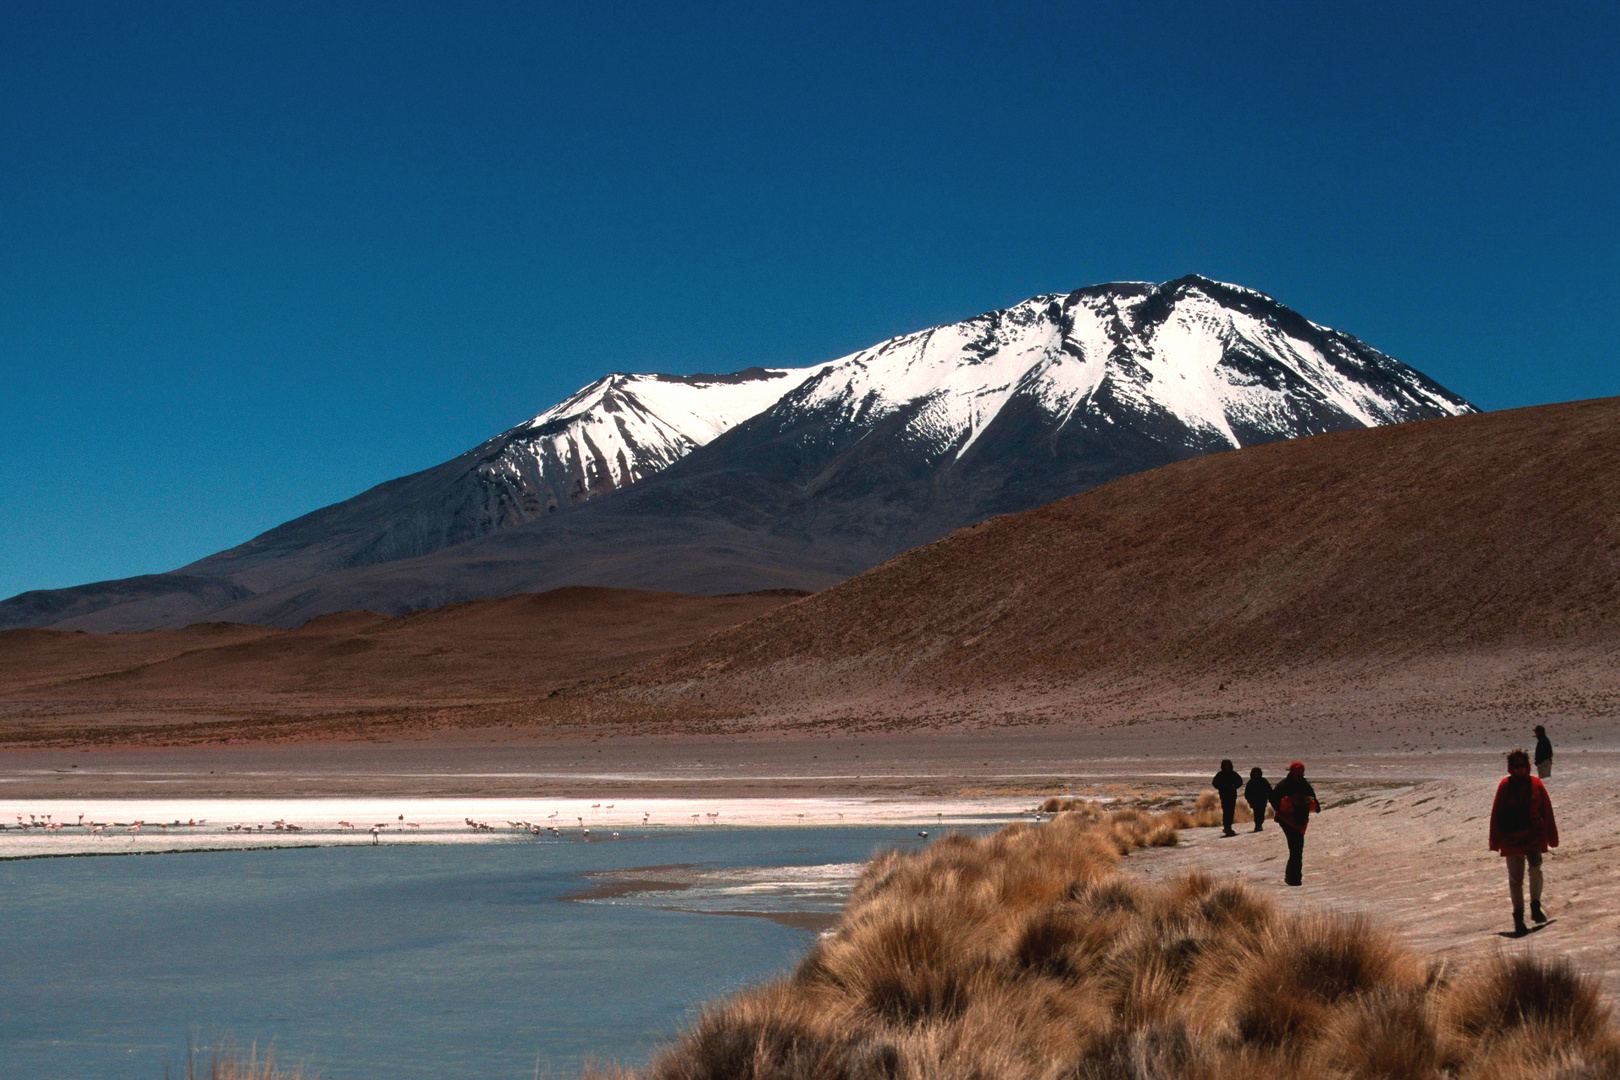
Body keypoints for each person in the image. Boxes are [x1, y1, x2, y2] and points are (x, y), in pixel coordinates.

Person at [1489, 748, 1558, 936]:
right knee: (1515, 880)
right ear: (1511, 767)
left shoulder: (1536, 784)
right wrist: (1495, 840)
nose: (1519, 769)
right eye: (1516, 766)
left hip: (1533, 836)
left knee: (1536, 870)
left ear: (1527, 766)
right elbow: (1496, 814)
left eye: (1522, 766)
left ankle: (1535, 905)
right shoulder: (1504, 786)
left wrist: (1552, 837)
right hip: (1511, 839)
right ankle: (1518, 917)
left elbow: (1547, 811)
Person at [1270, 761, 1319, 886]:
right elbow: (1274, 801)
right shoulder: (1283, 785)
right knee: (1295, 849)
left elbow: (1315, 801)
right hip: (1286, 820)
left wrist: (1310, 801)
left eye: (1301, 773)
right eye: (1297, 773)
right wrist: (1288, 804)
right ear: (1291, 772)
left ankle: (1293, 878)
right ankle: (1294, 879)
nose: (1299, 776)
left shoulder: (1304, 785)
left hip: (1300, 820)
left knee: (1297, 850)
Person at [1211, 759, 1244, 837]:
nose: (1227, 766)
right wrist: (1222, 786)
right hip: (1224, 795)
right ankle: (1226, 827)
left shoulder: (1233, 774)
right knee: (1226, 811)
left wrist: (1234, 786)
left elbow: (1240, 781)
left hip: (1232, 795)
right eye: (1225, 765)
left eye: (1228, 764)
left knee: (1231, 811)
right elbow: (1215, 783)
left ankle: (1229, 827)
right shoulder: (1220, 774)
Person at [1244, 766, 1272, 832]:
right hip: (1254, 800)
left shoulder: (1263, 781)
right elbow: (1247, 791)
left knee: (1262, 813)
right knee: (1256, 813)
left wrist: (1270, 797)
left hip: (1262, 800)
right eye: (1255, 774)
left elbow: (1269, 790)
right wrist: (1248, 798)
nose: (1256, 775)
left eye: (1257, 773)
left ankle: (1259, 824)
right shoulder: (1250, 782)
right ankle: (1257, 825)